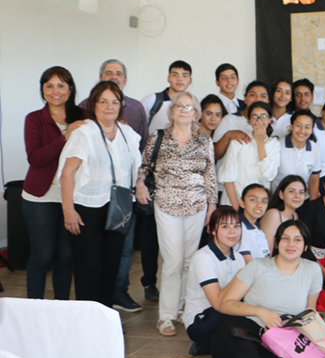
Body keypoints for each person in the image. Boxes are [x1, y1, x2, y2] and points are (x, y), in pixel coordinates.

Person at [153, 220, 324, 358]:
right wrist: (260, 311)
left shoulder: (312, 270)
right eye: (285, 238)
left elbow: (309, 314)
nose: (291, 244)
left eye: (297, 240)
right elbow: (225, 303)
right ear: (277, 242)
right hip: (241, 330)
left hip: (275, 341)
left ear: (305, 245)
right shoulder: (258, 266)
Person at [136, 91, 217, 336]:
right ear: (172, 111)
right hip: (166, 205)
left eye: (189, 107)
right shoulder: (158, 137)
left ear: (196, 114)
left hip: (196, 206)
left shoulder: (204, 141)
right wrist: (140, 183)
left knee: (190, 261)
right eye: (179, 106)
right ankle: (166, 316)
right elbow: (145, 166)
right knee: (172, 260)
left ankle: (184, 308)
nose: (183, 110)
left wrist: (212, 207)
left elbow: (210, 175)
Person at [58, 80, 142, 306]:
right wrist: (68, 210)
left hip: (118, 207)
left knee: (110, 266)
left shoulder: (128, 133)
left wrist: (141, 184)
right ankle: (87, 322)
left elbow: (138, 166)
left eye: (115, 102)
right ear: (93, 104)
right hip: (87, 208)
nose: (109, 106)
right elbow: (67, 174)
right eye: (103, 101)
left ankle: (104, 317)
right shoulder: (84, 133)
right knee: (88, 268)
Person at [23, 66, 85, 300]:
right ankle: (34, 309)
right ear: (42, 90)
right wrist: (65, 136)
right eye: (49, 86)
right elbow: (36, 158)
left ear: (70, 89)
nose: (55, 91)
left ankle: (61, 307)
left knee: (65, 256)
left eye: (61, 85)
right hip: (40, 196)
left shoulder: (83, 117)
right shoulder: (34, 119)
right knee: (42, 255)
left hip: (73, 196)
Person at [182, 206, 245, 356]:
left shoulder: (239, 257)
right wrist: (241, 276)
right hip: (202, 321)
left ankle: (217, 345)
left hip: (226, 312)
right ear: (212, 230)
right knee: (236, 314)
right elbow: (218, 303)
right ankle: (208, 343)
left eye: (236, 226)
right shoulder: (203, 258)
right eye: (225, 226)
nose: (232, 231)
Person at [219, 102, 280, 210]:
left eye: (263, 116)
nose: (259, 121)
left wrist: (259, 141)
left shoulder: (274, 143)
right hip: (233, 203)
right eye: (254, 117)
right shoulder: (238, 141)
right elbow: (228, 178)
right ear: (249, 120)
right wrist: (237, 209)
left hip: (257, 207)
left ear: (270, 119)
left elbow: (268, 175)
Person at [273, 109, 322, 196]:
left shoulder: (315, 149)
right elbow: (269, 179)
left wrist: (313, 206)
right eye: (298, 125)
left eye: (307, 127)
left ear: (311, 130)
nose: (302, 131)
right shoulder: (277, 146)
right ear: (291, 126)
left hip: (302, 200)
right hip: (279, 200)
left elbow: (314, 180)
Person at [142, 60, 193, 135]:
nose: (180, 79)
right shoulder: (152, 100)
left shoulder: (192, 104)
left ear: (190, 80)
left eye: (184, 75)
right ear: (168, 78)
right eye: (175, 75)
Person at [260, 175, 306, 250]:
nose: (297, 195)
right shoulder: (273, 214)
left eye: (301, 192)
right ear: (281, 194)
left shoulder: (295, 215)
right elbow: (267, 249)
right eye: (292, 191)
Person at [236, 184, 270, 262]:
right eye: (253, 200)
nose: (259, 205)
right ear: (242, 202)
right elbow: (248, 265)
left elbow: (267, 261)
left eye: (264, 201)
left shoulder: (260, 232)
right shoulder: (239, 228)